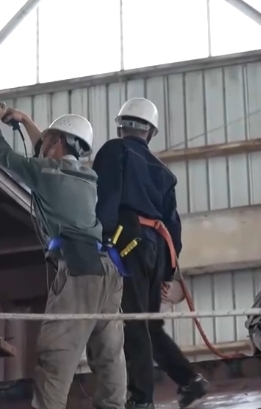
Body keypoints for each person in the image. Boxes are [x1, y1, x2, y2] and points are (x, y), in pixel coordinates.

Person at [0, 100, 126, 409]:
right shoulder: (86, 177)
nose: (40, 146)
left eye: (46, 140)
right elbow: (46, 152)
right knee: (109, 354)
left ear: (57, 142)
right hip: (108, 269)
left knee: (57, 355)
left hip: (78, 268)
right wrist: (25, 121)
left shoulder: (45, 173)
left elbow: (2, 156)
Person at [92, 98, 208, 409]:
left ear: (120, 127)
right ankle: (190, 380)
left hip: (126, 241)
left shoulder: (114, 150)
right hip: (157, 248)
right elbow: (174, 226)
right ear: (151, 132)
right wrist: (167, 271)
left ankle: (141, 400)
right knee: (149, 325)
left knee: (133, 323)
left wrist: (101, 241)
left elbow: (106, 197)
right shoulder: (163, 172)